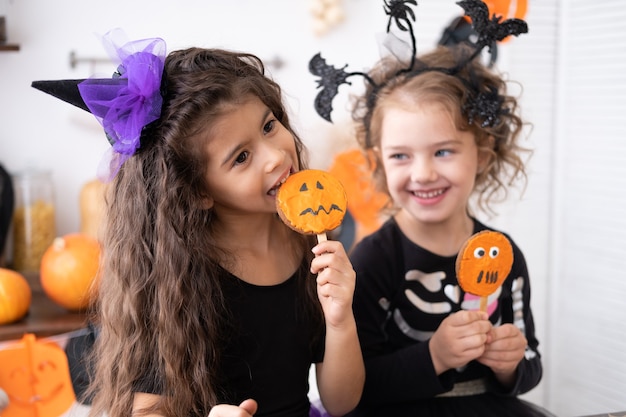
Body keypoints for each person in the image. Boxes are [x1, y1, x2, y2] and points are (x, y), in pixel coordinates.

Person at [32, 29, 363, 417]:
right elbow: (147, 410)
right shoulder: (175, 279)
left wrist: (340, 321)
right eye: (241, 157)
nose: (274, 156)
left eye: (269, 125)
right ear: (197, 191)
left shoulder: (311, 243)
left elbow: (342, 402)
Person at [308, 1, 552, 416]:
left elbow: (531, 364)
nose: (422, 174)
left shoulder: (502, 255)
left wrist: (512, 366)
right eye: (401, 156)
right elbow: (356, 389)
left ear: (484, 153)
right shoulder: (372, 261)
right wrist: (434, 356)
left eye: (442, 151)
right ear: (378, 162)